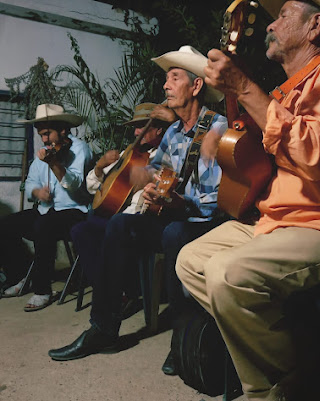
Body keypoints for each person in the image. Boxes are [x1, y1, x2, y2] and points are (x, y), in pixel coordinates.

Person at [176, 0, 320, 401]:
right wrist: (228, 132)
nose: (269, 24)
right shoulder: (282, 92)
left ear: (314, 26)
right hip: (274, 221)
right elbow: (263, 156)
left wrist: (245, 87)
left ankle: (270, 391)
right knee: (190, 259)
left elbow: (317, 156)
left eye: (283, 15)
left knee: (226, 274)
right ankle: (299, 367)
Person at [47, 46, 228, 376]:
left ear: (197, 86)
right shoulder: (172, 131)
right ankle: (103, 328)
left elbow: (214, 202)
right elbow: (156, 171)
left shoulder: (216, 129)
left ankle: (182, 339)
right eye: (166, 78)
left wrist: (175, 200)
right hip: (172, 214)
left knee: (175, 233)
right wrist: (146, 182)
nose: (165, 85)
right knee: (119, 224)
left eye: (174, 78)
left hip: (203, 223)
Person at [70, 102, 175, 291]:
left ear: (159, 129)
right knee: (81, 230)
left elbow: (171, 181)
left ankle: (119, 291)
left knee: (115, 225)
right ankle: (109, 290)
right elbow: (94, 188)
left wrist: (149, 174)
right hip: (118, 218)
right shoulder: (131, 154)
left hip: (144, 219)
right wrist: (99, 167)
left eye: (141, 127)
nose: (136, 133)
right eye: (135, 127)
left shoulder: (169, 153)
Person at [0, 104, 93, 311]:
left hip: (75, 211)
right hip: (46, 209)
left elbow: (74, 184)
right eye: (40, 134)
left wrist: (54, 164)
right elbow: (31, 181)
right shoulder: (44, 153)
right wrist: (37, 192)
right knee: (6, 225)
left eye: (47, 133)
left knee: (45, 225)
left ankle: (43, 291)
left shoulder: (80, 149)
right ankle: (20, 276)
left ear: (62, 130)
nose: (44, 139)